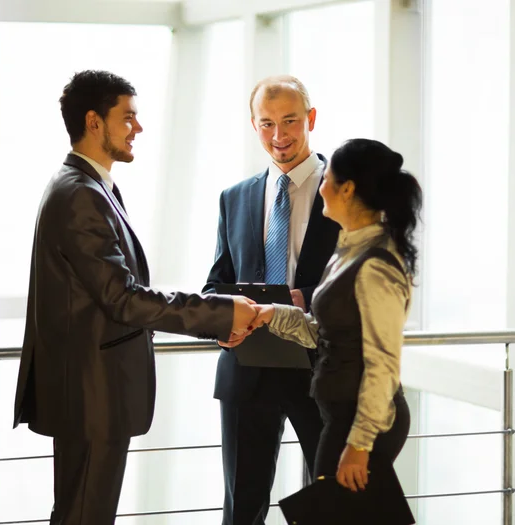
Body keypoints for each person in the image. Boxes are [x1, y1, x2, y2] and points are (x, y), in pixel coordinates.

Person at [12, 70, 256, 525]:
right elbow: (122, 299)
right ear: (94, 122)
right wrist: (221, 314)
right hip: (90, 396)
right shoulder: (80, 194)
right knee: (85, 515)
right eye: (128, 117)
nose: (137, 128)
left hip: (88, 394)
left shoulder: (88, 185)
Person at [203, 75, 340, 525]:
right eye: (266, 124)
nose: (279, 137)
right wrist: (221, 324)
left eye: (290, 122)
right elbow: (215, 284)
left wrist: (311, 300)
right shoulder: (235, 198)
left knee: (338, 503)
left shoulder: (345, 194)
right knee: (241, 509)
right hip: (247, 371)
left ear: (311, 120)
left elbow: (365, 283)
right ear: (253, 125)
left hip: (321, 370)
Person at [252, 138, 422, 501]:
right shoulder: (349, 250)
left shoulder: (376, 265)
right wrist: (270, 315)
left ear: (347, 189)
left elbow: (383, 364)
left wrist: (360, 445)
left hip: (363, 423)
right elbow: (324, 332)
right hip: (342, 415)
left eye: (326, 178)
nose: (320, 188)